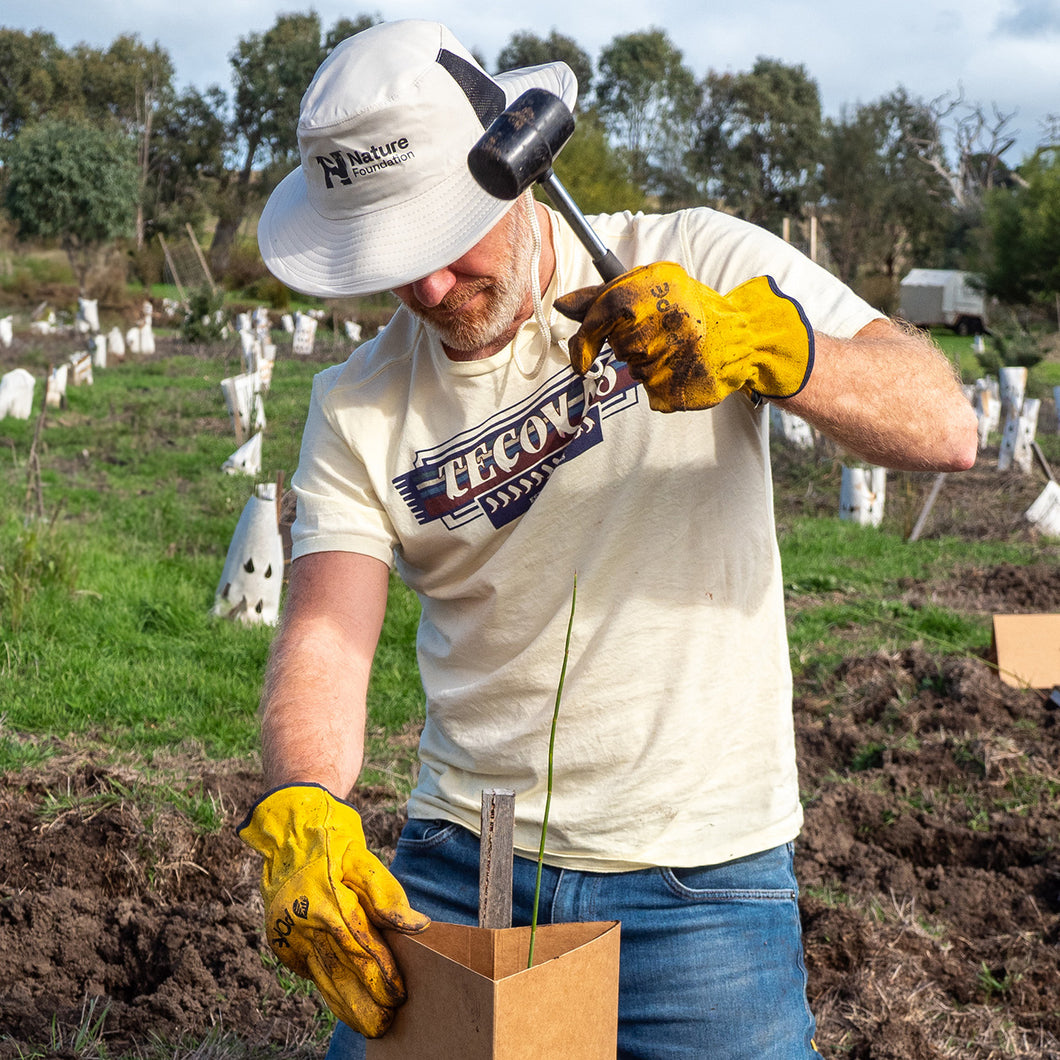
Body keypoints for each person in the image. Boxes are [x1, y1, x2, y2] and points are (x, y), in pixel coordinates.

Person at [237, 18, 979, 1060]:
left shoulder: (699, 262)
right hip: (468, 858)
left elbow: (946, 423)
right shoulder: (358, 404)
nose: (427, 292)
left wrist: (767, 347)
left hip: (700, 882)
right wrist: (305, 804)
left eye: (442, 242)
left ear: (514, 170)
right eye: (388, 261)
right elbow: (324, 638)